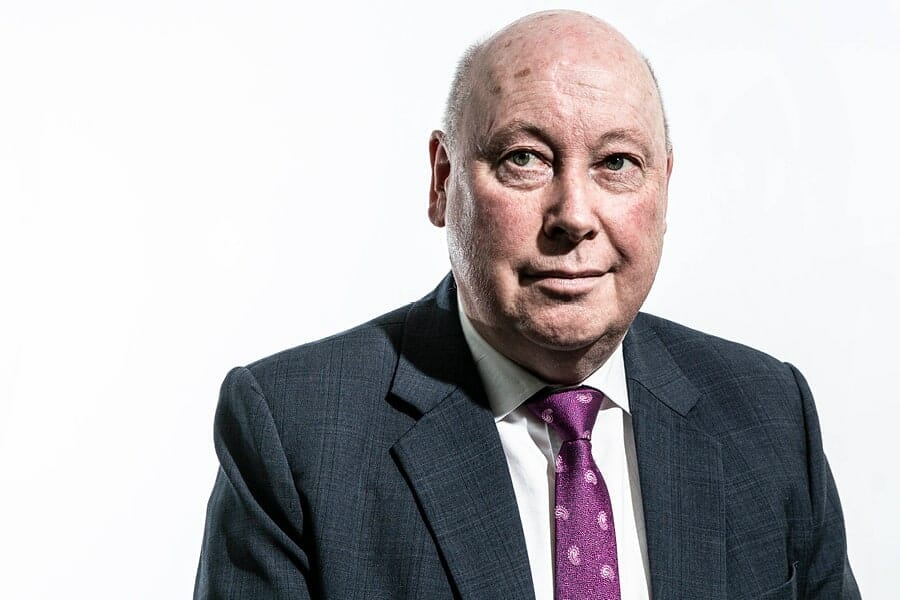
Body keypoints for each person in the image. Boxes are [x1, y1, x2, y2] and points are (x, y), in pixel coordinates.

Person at [194, 10, 858, 599]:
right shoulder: (295, 433)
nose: (574, 216)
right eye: (525, 159)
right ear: (442, 180)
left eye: (617, 163)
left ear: (665, 187)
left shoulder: (771, 413)